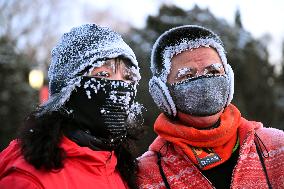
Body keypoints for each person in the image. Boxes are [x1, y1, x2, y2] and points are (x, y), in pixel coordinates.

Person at [137, 25, 284, 189]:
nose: (204, 84)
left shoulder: (277, 148)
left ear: (228, 79)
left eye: (213, 72)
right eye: (187, 75)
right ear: (162, 93)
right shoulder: (146, 174)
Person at [0, 23, 143, 189]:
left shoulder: (120, 166)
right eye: (103, 74)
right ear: (68, 89)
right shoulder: (29, 180)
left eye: (127, 77)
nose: (120, 86)